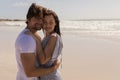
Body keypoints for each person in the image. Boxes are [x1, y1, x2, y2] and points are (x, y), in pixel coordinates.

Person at [15, 3, 60, 80]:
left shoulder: (33, 35)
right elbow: (30, 72)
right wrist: (53, 68)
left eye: (42, 19)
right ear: (28, 19)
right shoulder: (27, 39)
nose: (40, 22)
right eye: (36, 18)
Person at [36, 9, 63, 80]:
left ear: (55, 23)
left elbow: (43, 60)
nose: (47, 25)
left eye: (51, 22)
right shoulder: (47, 37)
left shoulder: (53, 37)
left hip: (51, 77)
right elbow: (54, 59)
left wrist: (37, 40)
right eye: (45, 22)